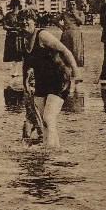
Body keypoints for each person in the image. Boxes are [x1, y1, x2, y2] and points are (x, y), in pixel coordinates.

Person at [20, 11, 80, 149]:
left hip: (59, 79)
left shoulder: (42, 35)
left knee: (49, 118)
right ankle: (53, 148)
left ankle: (51, 151)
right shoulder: (24, 39)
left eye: (27, 19)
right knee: (43, 121)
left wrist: (76, 72)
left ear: (34, 21)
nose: (24, 23)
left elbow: (66, 51)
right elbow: (26, 63)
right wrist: (25, 83)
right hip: (42, 82)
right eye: (21, 20)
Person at [1, 0, 25, 76]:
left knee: (22, 53)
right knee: (12, 54)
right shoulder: (8, 15)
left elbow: (25, 25)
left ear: (18, 6)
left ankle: (23, 69)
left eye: (15, 6)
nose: (14, 7)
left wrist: (21, 29)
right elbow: (4, 26)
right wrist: (13, 28)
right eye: (13, 6)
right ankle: (15, 70)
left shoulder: (22, 14)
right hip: (11, 36)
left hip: (20, 36)